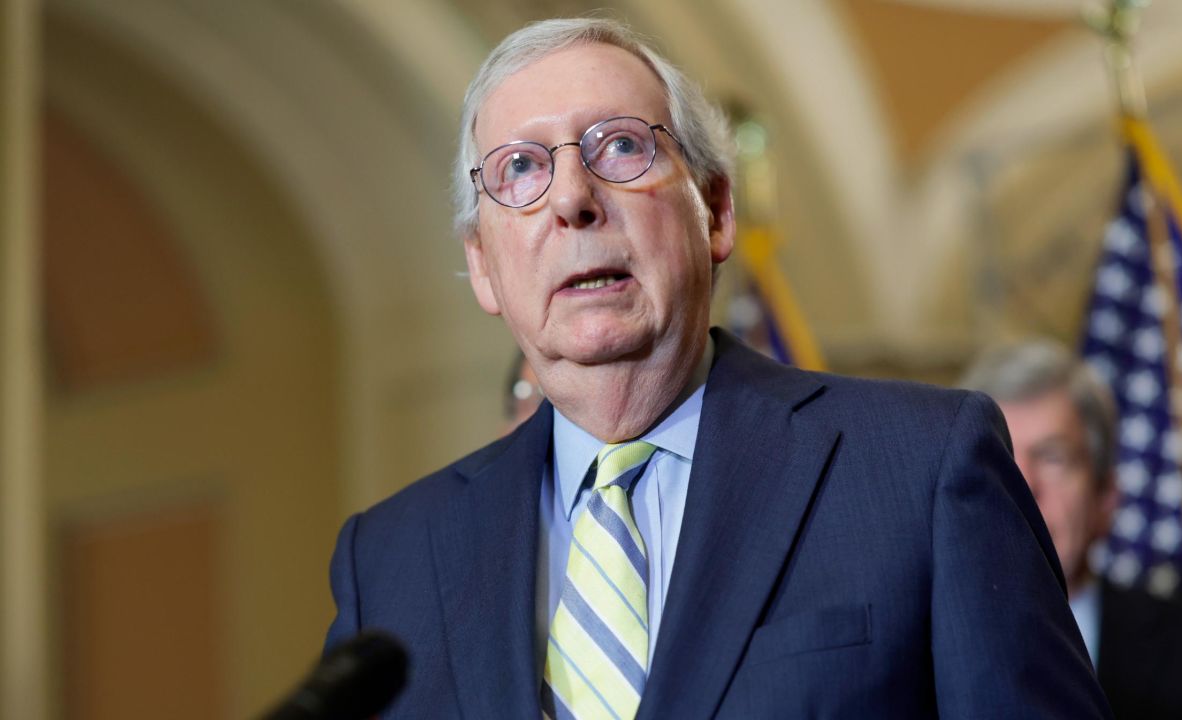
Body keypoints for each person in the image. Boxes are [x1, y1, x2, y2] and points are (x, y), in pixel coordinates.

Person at [324, 18, 1110, 719]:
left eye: (621, 146)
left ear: (718, 210)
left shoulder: (919, 467)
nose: (572, 197)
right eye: (521, 168)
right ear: (484, 267)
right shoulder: (390, 562)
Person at [962, 339, 1182, 719]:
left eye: (1052, 457)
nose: (1024, 484)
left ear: (1105, 497)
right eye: (1002, 456)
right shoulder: (901, 658)